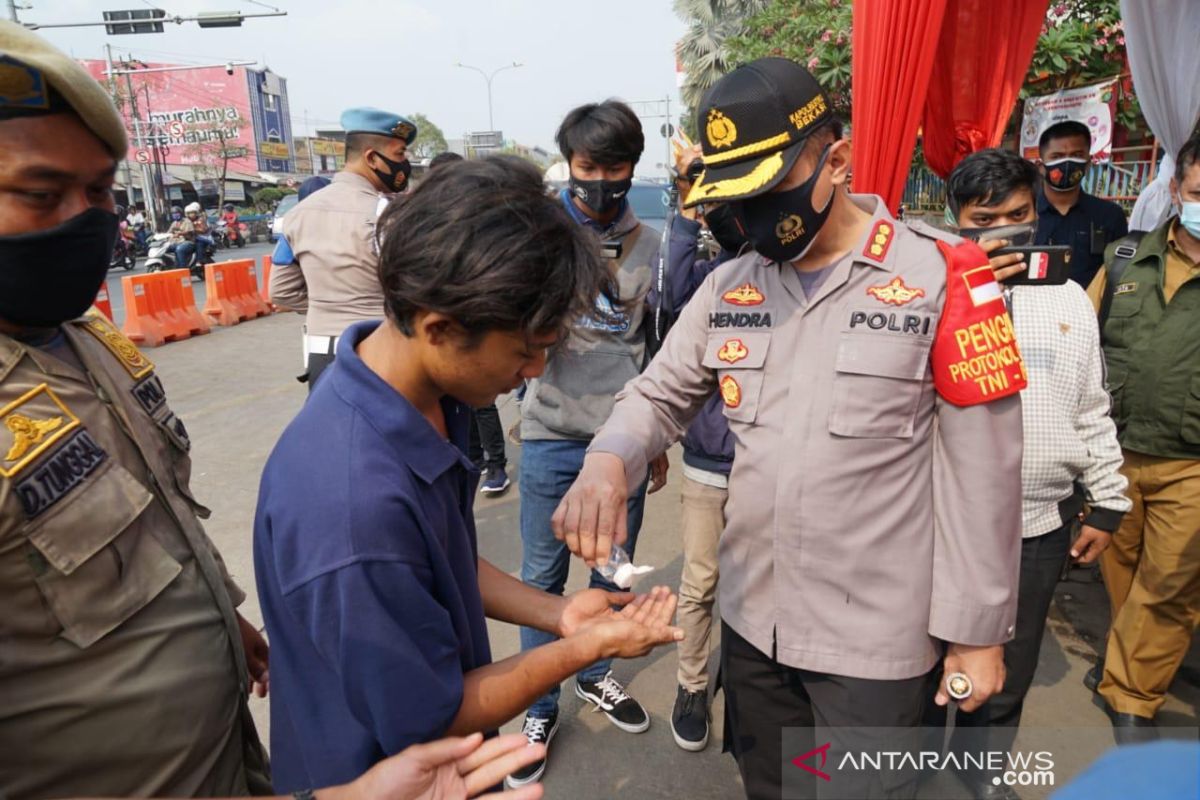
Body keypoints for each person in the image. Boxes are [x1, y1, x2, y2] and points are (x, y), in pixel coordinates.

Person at [551, 57, 1027, 800]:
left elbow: (985, 476)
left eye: (764, 193)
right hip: (754, 623)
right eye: (729, 198)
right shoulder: (729, 285)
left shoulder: (943, 278)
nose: (746, 218)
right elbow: (659, 393)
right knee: (773, 788)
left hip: (876, 644)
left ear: (834, 159)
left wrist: (977, 631)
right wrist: (609, 458)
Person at [253, 156, 683, 792]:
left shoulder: (426, 398)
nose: (536, 371)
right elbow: (433, 714)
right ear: (440, 328)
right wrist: (585, 649)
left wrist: (560, 614)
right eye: (525, 350)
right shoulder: (351, 511)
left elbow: (443, 560)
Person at [0, 21, 270, 796]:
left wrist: (220, 617)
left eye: (99, 193)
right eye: (42, 194)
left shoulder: (88, 341)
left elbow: (154, 515)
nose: (85, 221)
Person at [936, 148, 1131, 799]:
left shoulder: (1069, 298)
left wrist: (1107, 500)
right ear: (956, 220)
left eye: (1017, 215)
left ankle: (978, 780)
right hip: (938, 526)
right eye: (984, 218)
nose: (1004, 230)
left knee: (1006, 679)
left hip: (1037, 529)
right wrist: (964, 292)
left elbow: (1092, 404)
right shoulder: (925, 295)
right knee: (923, 671)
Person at [508, 100, 669, 790]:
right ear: (568, 164)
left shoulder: (654, 246)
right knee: (541, 582)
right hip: (549, 438)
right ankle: (537, 706)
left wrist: (654, 440)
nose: (601, 179)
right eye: (587, 166)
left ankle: (595, 675)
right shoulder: (539, 238)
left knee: (614, 577)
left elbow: (657, 348)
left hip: (624, 445)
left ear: (633, 168)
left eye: (614, 167)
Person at [1083, 133, 1200, 742]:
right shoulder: (1124, 259)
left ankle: (1132, 695)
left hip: (1193, 464)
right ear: (1177, 191)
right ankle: (1125, 661)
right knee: (1120, 571)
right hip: (1117, 453)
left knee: (1171, 582)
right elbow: (1084, 340)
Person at [648, 140, 748, 753]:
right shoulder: (711, 275)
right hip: (711, 462)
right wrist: (690, 202)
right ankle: (691, 685)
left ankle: (747, 687)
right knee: (701, 583)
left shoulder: (795, 263)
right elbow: (664, 301)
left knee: (766, 585)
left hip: (777, 464)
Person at [268, 107, 417, 389]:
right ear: (372, 158)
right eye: (399, 155)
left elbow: (281, 292)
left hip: (321, 355)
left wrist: (329, 307)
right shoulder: (388, 215)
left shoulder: (297, 215)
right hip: (379, 348)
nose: (405, 163)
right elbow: (414, 290)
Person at [424, 151, 510, 494]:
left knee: (483, 402)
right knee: (454, 405)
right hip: (442, 329)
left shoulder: (481, 221)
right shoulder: (427, 225)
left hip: (478, 324)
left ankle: (496, 465)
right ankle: (470, 463)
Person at [1034, 120, 1128, 288]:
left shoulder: (1110, 216)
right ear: (1041, 166)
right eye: (1057, 157)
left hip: (1092, 311)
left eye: (1076, 155)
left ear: (1088, 163)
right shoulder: (1024, 215)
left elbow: (1119, 273)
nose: (1067, 163)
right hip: (1033, 310)